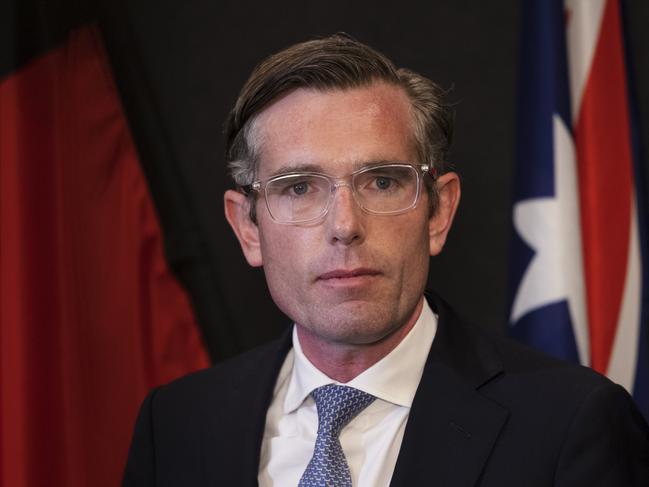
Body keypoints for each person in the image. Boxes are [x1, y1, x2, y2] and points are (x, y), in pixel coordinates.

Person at [123, 34, 649, 486]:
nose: (345, 225)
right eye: (300, 187)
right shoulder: (174, 426)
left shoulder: (571, 422)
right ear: (248, 228)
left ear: (438, 212)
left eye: (382, 181)